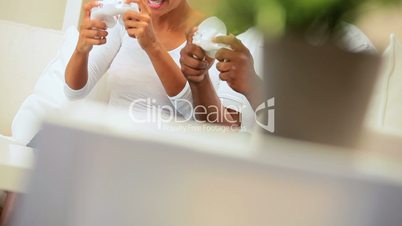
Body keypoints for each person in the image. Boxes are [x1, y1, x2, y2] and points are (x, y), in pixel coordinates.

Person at [179, 23, 376, 131]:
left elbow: (322, 147)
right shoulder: (253, 37)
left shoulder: (350, 46)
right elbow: (225, 132)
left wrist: (254, 86)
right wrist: (199, 80)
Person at [64, 0, 204, 118]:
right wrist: (80, 50)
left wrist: (153, 46)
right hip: (111, 142)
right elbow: (74, 92)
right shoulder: (124, 17)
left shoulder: (207, 31)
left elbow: (196, 114)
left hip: (164, 147)